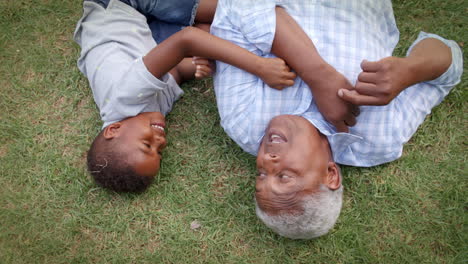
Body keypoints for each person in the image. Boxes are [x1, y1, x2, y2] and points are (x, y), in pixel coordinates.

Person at [209, 0, 463, 238]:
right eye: (284, 175)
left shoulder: (244, 123)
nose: (266, 159)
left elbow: (236, 8)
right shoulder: (381, 137)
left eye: (262, 174)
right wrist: (410, 70)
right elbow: (450, 63)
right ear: (331, 174)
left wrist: (318, 73)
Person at [73, 0, 296, 192]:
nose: (160, 140)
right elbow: (178, 70)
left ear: (114, 130)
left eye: (146, 144)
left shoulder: (125, 95)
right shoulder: (152, 113)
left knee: (234, 11)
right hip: (146, 33)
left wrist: (260, 67)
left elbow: (186, 40)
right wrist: (196, 68)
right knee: (218, 33)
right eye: (159, 150)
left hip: (121, 5)